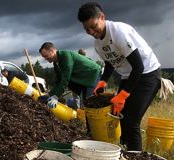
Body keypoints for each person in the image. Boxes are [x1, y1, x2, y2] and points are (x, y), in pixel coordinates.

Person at [78, 2, 161, 151]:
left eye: (93, 26)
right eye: (87, 29)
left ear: (102, 17)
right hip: (128, 75)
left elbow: (139, 66)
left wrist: (122, 95)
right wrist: (103, 81)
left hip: (148, 73)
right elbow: (110, 62)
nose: (91, 31)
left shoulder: (119, 32)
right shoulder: (98, 44)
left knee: (131, 121)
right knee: (119, 115)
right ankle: (125, 151)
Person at [38, 42, 101, 109]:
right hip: (83, 79)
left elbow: (65, 79)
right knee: (85, 103)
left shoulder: (65, 56)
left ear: (52, 51)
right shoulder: (56, 64)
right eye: (44, 57)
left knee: (90, 103)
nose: (45, 58)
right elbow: (59, 80)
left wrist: (56, 96)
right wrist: (49, 95)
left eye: (46, 56)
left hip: (92, 75)